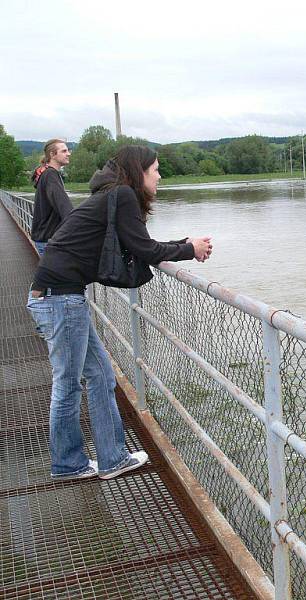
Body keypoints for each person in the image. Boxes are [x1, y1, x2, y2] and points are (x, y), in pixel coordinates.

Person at [27, 145, 213, 481]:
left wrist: (182, 242)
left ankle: (112, 459)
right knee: (68, 385)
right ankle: (69, 465)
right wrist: (190, 249)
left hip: (59, 297)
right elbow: (144, 248)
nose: (159, 176)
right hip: (60, 299)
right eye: (155, 169)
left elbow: (136, 242)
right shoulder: (124, 194)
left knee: (100, 376)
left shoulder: (114, 193)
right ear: (139, 171)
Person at [31, 139, 73, 255]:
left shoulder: (46, 173)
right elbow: (64, 206)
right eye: (64, 151)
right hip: (49, 240)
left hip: (44, 237)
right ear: (52, 155)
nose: (68, 153)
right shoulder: (50, 175)